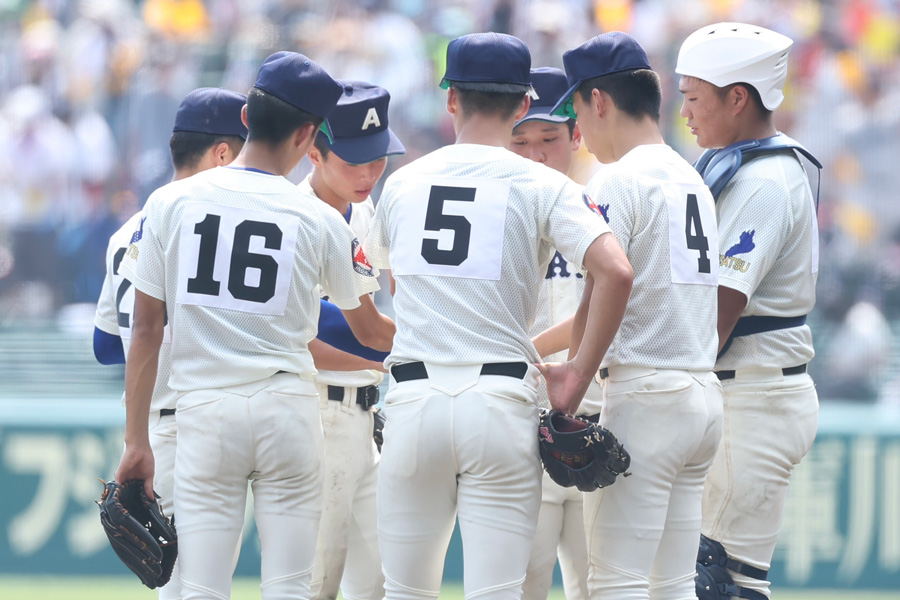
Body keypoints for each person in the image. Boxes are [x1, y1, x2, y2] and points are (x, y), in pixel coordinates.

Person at [113, 52, 396, 600]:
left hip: (205, 410)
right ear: (309, 133)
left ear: (246, 118)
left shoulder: (170, 202)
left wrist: (136, 440)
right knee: (290, 587)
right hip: (287, 409)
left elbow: (146, 330)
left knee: (201, 587)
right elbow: (368, 328)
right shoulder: (317, 216)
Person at [365, 32, 633, 600]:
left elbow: (398, 284)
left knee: (404, 593)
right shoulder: (544, 182)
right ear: (521, 106)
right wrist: (578, 373)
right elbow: (616, 271)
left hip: (413, 399)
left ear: (451, 100)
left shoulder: (403, 181)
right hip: (500, 398)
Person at [550, 32, 723, 599]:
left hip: (649, 393)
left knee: (617, 582)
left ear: (598, 100)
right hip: (700, 394)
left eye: (578, 108)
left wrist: (573, 379)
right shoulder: (693, 178)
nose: (579, 128)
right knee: (672, 584)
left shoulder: (619, 178)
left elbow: (604, 282)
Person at [676, 23, 820, 600]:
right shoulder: (743, 164)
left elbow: (719, 311)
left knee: (723, 586)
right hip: (745, 392)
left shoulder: (763, 179)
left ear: (738, 97)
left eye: (692, 97)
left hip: (753, 395)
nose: (683, 111)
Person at [93, 86, 247, 600]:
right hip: (195, 423)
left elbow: (107, 344)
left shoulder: (125, 232)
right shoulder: (211, 227)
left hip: (148, 429)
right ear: (222, 153)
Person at [301, 80, 406, 600]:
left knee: (381, 584)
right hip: (315, 412)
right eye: (353, 160)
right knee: (316, 582)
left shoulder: (368, 211)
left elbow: (393, 305)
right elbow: (306, 332)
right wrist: (414, 349)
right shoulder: (291, 216)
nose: (367, 172)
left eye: (377, 158)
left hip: (367, 417)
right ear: (314, 150)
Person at [509, 66, 593, 600]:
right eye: (520, 141)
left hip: (595, 414)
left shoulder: (604, 210)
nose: (535, 154)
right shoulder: (489, 221)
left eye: (549, 139)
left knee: (600, 588)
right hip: (517, 418)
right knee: (519, 586)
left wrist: (527, 350)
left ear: (576, 135)